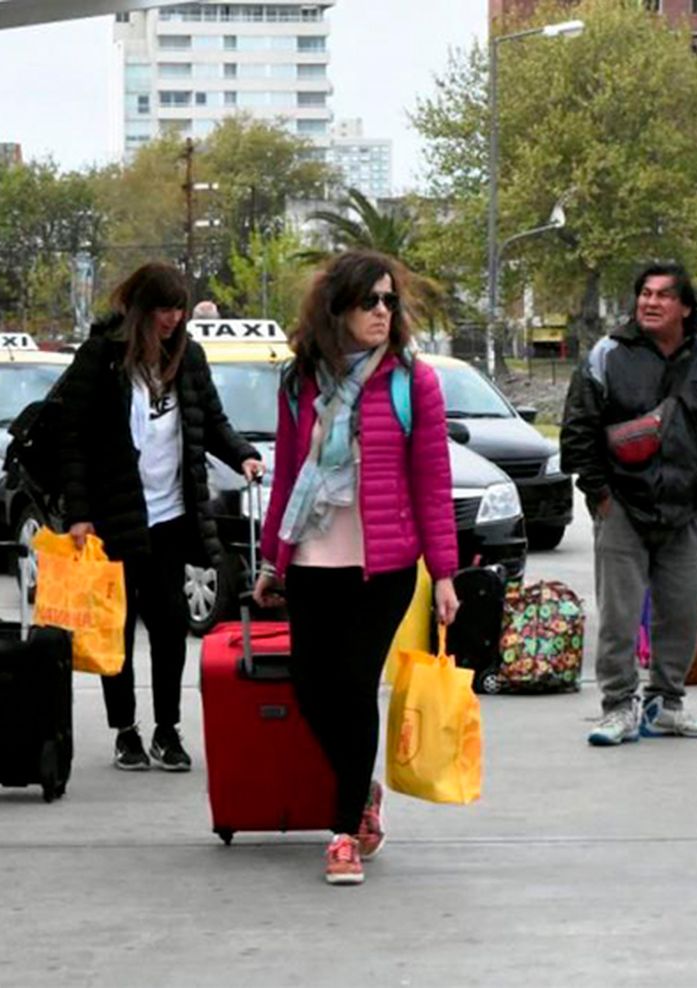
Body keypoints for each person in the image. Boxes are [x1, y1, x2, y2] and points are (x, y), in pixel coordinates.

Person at [253, 250, 459, 886]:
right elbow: (288, 472)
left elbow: (432, 479)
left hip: (385, 566)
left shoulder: (411, 381)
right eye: (369, 300)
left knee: (352, 686)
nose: (380, 311)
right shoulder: (300, 382)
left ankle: (342, 832)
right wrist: (271, 558)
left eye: (389, 301)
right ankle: (360, 784)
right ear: (336, 307)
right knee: (312, 687)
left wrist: (445, 573)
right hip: (313, 556)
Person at [58, 262, 261, 774]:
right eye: (163, 309)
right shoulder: (102, 357)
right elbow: (74, 438)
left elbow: (210, 419)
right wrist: (80, 514)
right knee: (118, 627)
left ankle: (167, 729)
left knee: (171, 622)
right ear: (141, 308)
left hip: (172, 510)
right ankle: (125, 729)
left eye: (178, 309)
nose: (172, 319)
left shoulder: (188, 357)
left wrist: (242, 455)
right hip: (114, 513)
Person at [561, 262, 697, 748]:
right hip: (621, 504)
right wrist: (598, 493)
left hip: (691, 509)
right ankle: (618, 707)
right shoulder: (607, 355)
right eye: (644, 293)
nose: (651, 302)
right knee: (620, 617)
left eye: (664, 295)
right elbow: (578, 427)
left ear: (685, 307)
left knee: (684, 612)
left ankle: (667, 704)